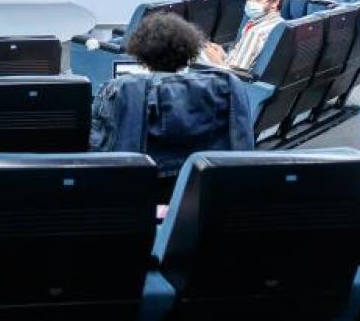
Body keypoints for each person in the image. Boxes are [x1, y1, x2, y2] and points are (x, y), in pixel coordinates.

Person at [90, 13, 254, 193]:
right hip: (204, 188)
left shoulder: (120, 88)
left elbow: (99, 145)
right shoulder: (226, 85)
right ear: (190, 53)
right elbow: (241, 143)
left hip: (139, 190)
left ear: (140, 54)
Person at [202, 0, 285, 71]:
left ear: (275, 2)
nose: (251, 2)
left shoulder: (256, 32)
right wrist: (223, 55)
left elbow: (234, 75)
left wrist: (213, 57)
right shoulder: (279, 23)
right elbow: (242, 59)